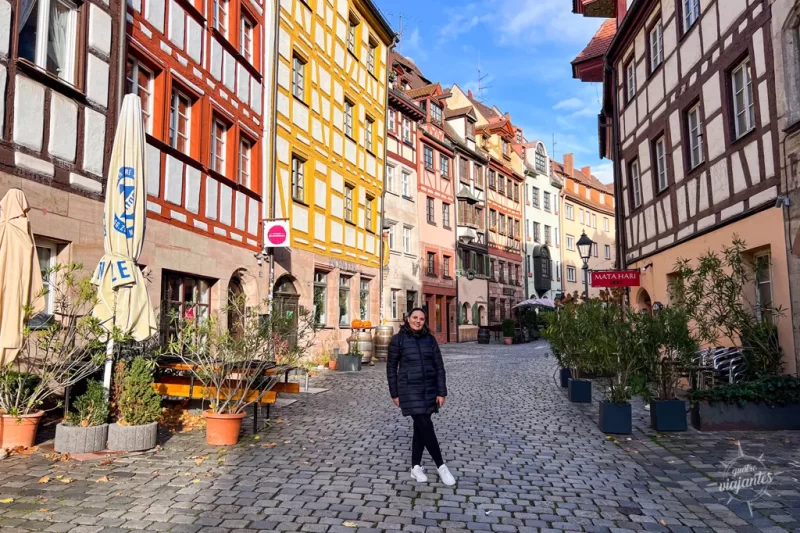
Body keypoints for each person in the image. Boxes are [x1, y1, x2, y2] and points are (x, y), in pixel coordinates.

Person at [387, 307, 455, 485]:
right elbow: (391, 368)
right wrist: (394, 393)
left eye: (422, 319)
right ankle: (441, 466)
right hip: (409, 389)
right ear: (408, 318)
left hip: (429, 389)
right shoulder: (398, 340)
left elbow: (439, 366)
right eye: (415, 317)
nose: (418, 321)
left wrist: (442, 391)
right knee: (425, 424)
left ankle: (415, 467)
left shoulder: (430, 340)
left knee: (421, 427)